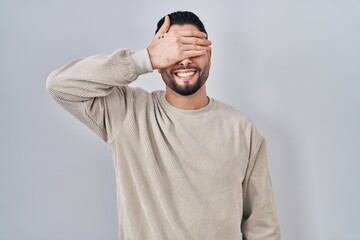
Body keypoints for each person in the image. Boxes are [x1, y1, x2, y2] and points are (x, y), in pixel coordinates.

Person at [46, 11, 280, 240]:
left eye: (193, 48)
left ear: (209, 54)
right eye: (174, 50)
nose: (185, 59)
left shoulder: (241, 129)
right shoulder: (127, 113)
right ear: (158, 60)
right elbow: (59, 85)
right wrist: (143, 59)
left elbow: (262, 225)